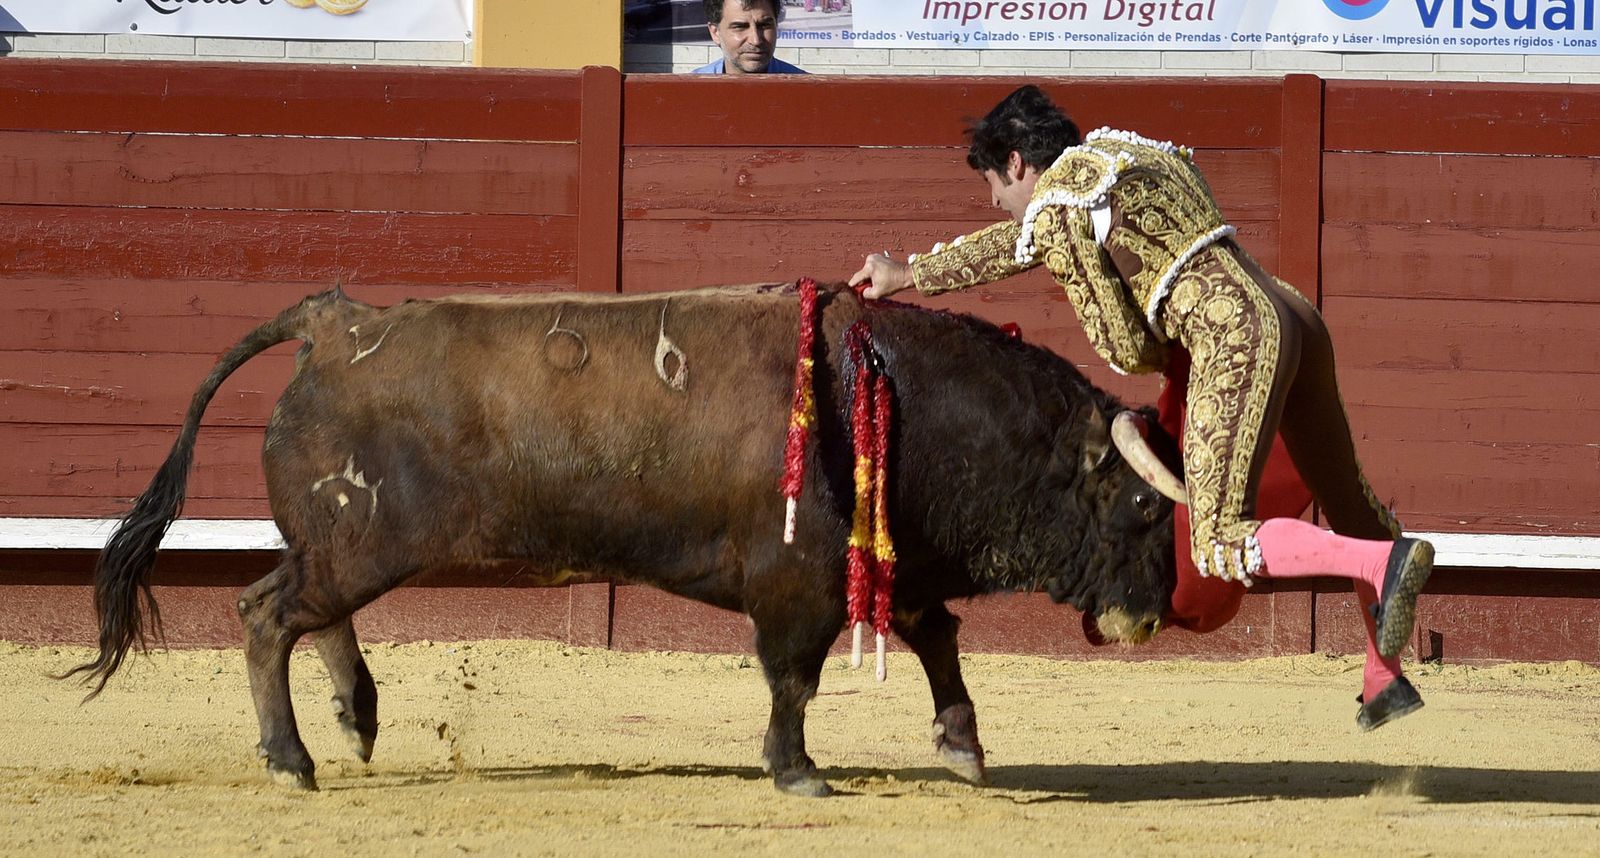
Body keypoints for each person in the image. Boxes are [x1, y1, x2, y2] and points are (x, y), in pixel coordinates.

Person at [848, 85, 1434, 731]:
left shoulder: (1060, 209)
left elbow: (1126, 348)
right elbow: (1019, 243)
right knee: (1347, 499)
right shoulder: (1127, 150)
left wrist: (1158, 351)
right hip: (1288, 310)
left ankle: (1379, 563)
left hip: (1227, 329)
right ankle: (1385, 675)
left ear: (1017, 164)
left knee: (1219, 544)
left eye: (996, 188)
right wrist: (910, 273)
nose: (999, 205)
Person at [693, 0, 807, 75]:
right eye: (740, 27)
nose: (755, 40)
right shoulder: (689, 91)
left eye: (764, 25)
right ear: (715, 33)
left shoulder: (809, 92)